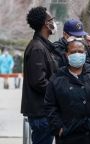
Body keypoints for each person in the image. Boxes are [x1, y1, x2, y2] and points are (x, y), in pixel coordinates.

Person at [44, 40, 90, 144]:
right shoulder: (57, 78)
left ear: (85, 54)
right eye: (73, 52)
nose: (77, 54)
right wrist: (59, 128)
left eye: (80, 51)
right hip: (68, 135)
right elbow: (50, 106)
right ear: (66, 54)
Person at [21, 6, 58, 144]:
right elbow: (38, 82)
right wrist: (58, 90)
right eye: (51, 19)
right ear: (45, 24)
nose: (53, 22)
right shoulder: (37, 48)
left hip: (43, 112)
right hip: (41, 113)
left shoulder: (43, 46)